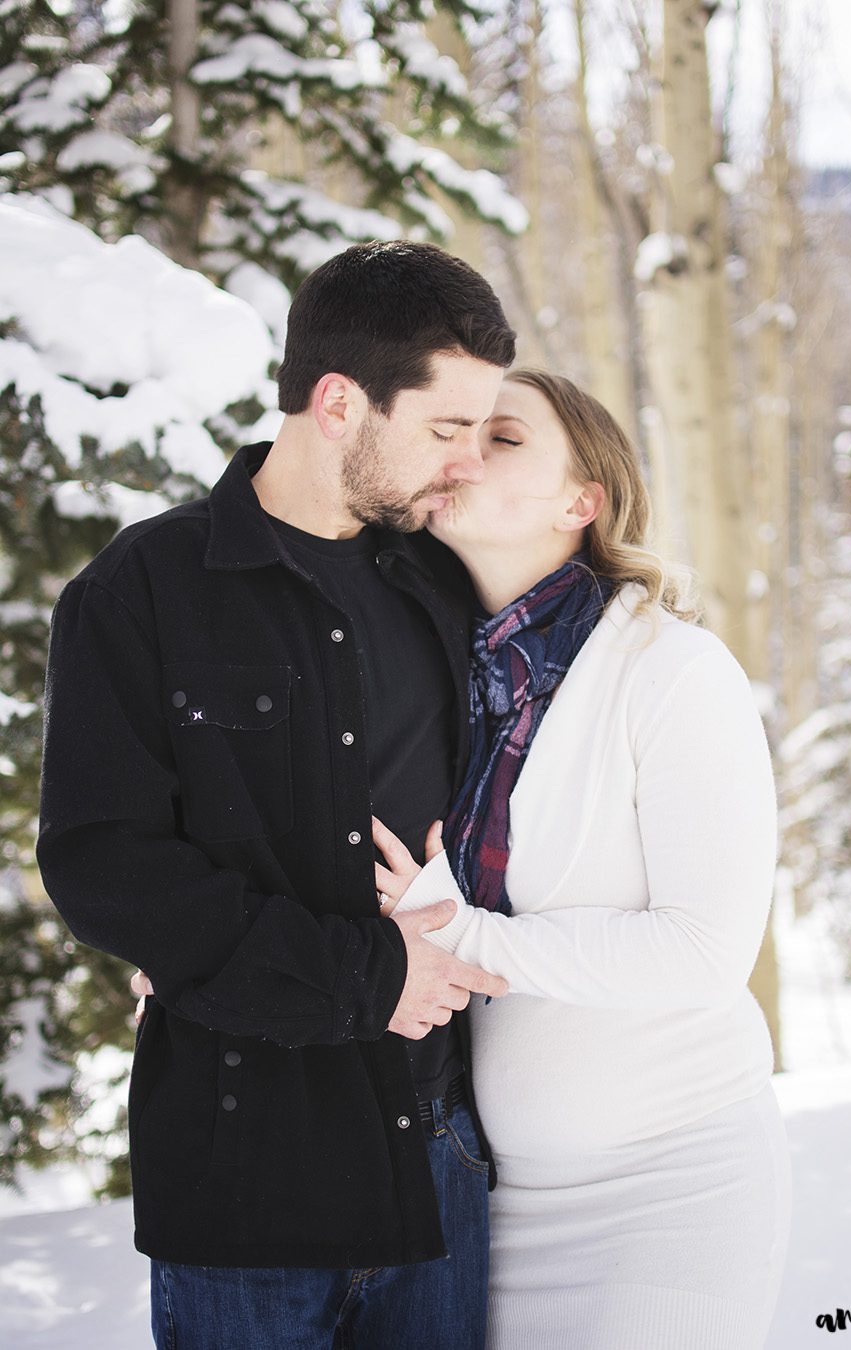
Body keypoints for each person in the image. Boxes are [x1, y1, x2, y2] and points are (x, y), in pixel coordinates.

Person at [35, 240, 517, 1350]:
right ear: (339, 402)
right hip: (247, 1167)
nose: (467, 466)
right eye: (447, 430)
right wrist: (364, 980)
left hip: (437, 1151)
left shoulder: (444, 586)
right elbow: (106, 864)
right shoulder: (141, 592)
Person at [371, 369, 793, 1349]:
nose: (465, 447)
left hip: (674, 1194)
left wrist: (470, 937)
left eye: (505, 436)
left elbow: (703, 953)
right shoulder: (439, 687)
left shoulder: (672, 672)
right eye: (455, 429)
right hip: (504, 1206)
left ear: (582, 502)